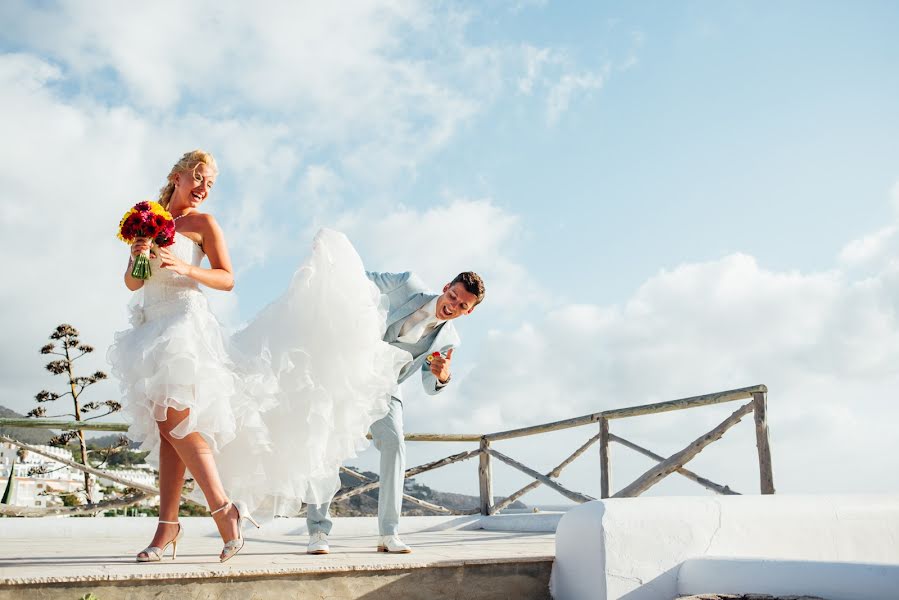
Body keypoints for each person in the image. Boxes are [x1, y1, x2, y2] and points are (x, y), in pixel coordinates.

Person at [108, 150, 406, 563]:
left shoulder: (202, 224)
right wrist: (138, 252)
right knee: (167, 430)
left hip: (181, 323)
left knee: (175, 419)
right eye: (198, 178)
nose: (203, 188)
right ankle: (167, 529)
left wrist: (185, 267)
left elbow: (226, 279)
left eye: (210, 183)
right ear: (177, 177)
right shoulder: (150, 219)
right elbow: (130, 283)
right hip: (148, 324)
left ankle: (222, 509)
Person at [305, 270, 486, 555]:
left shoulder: (448, 341)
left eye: (463, 306)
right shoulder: (406, 285)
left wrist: (443, 376)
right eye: (453, 296)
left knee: (395, 444)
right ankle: (317, 531)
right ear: (446, 287)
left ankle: (388, 533)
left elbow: (430, 384)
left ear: (469, 311)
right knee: (329, 447)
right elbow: (352, 273)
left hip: (385, 387)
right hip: (347, 373)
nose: (453, 305)